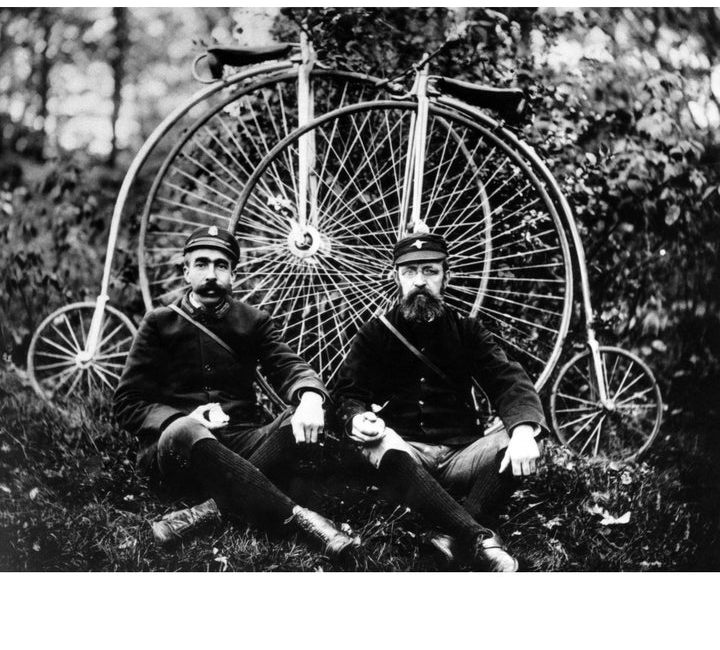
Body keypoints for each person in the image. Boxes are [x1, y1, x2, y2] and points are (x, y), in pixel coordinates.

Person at [112, 225, 358, 559]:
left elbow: (290, 366)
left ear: (234, 275)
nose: (210, 274)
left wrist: (311, 399)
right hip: (179, 452)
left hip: (242, 441)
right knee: (186, 429)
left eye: (220, 265)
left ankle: (205, 512)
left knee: (297, 420)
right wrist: (186, 417)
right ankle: (303, 519)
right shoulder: (159, 322)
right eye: (201, 264)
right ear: (186, 272)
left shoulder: (252, 321)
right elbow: (127, 404)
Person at [333, 231, 546, 571]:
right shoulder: (377, 332)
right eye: (409, 272)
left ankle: (454, 533)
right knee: (376, 442)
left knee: (521, 436)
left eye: (430, 271)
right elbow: (347, 393)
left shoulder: (467, 330)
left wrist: (523, 431)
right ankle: (474, 536)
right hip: (405, 454)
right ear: (396, 277)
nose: (419, 282)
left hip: (461, 455)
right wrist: (357, 418)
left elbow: (507, 380)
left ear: (448, 274)